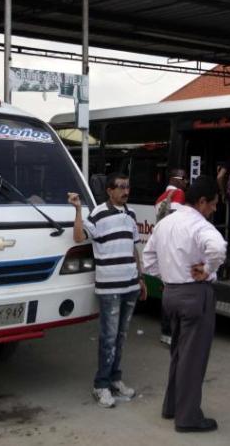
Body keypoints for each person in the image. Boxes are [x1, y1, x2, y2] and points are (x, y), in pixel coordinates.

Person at [143, 176, 227, 433]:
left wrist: (168, 277)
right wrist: (208, 270)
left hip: (171, 294)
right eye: (213, 204)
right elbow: (218, 248)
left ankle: (172, 406)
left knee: (179, 354)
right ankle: (188, 417)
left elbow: (148, 260)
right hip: (194, 296)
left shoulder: (166, 222)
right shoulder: (200, 225)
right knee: (193, 359)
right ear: (202, 202)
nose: (214, 209)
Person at [68, 172, 147, 409]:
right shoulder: (98, 213)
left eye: (127, 187)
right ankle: (100, 384)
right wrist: (78, 211)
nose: (125, 191)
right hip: (110, 287)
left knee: (121, 337)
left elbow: (134, 249)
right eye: (120, 187)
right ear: (110, 191)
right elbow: (79, 235)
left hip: (130, 285)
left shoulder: (131, 214)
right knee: (108, 338)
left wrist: (141, 277)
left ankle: (115, 379)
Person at [154, 168, 189, 345]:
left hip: (163, 249)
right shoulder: (179, 194)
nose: (186, 183)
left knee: (167, 290)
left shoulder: (160, 198)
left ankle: (166, 333)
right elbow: (178, 223)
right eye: (185, 180)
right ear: (178, 180)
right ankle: (173, 332)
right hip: (176, 251)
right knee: (177, 292)